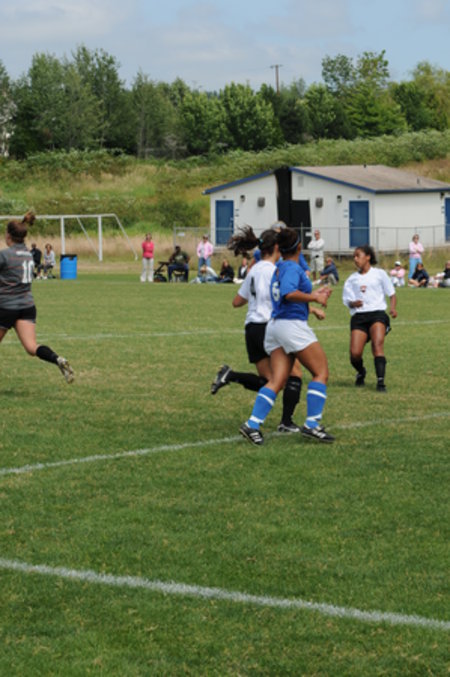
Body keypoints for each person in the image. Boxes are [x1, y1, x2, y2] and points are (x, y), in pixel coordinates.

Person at [239, 227, 334, 446]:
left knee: (277, 380)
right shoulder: (291, 267)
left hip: (275, 326)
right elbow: (288, 293)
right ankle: (312, 425)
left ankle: (252, 424)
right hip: (291, 326)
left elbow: (288, 291)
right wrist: (314, 298)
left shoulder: (280, 266)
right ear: (299, 247)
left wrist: (314, 294)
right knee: (321, 372)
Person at [211, 226, 304, 433]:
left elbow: (236, 302)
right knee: (294, 374)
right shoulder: (275, 271)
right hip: (269, 327)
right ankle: (286, 422)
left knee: (269, 381)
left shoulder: (253, 271)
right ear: (277, 247)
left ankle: (231, 375)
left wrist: (255, 299)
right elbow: (284, 296)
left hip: (251, 329)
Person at [0, 212, 74, 383]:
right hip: (26, 307)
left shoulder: (4, 255)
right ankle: (57, 359)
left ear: (8, 235)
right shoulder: (28, 254)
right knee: (32, 347)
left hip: (6, 307)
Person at [342, 245, 397, 393]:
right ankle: (361, 371)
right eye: (354, 256)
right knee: (355, 354)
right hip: (359, 317)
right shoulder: (352, 279)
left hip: (377, 314)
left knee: (377, 345)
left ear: (368, 257)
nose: (355, 259)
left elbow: (392, 294)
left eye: (358, 256)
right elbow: (346, 299)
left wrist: (392, 308)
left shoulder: (379, 274)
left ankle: (380, 382)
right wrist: (353, 303)